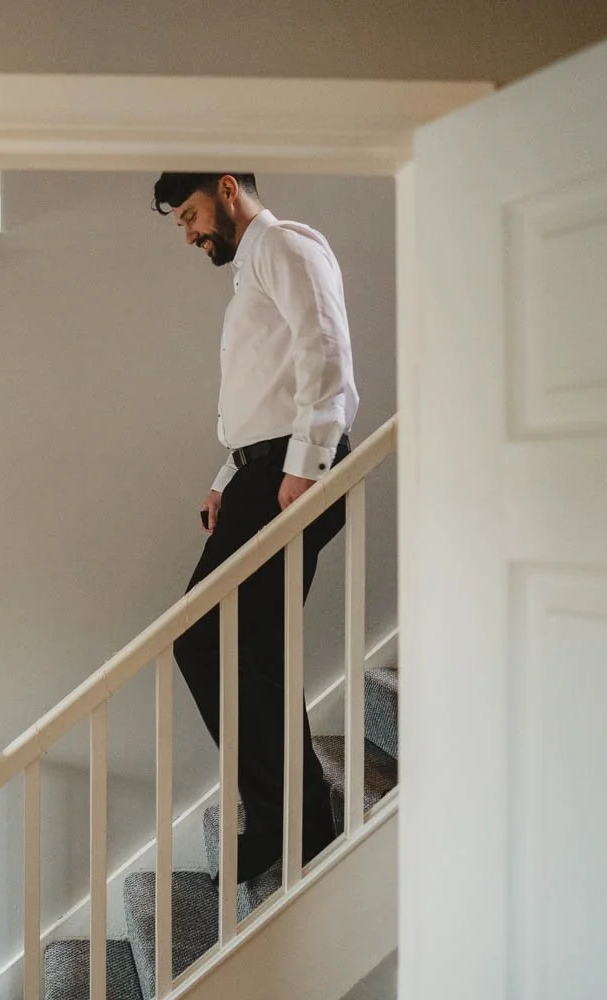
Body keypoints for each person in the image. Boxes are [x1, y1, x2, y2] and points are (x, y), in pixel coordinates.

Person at [152, 173, 359, 883]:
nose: (188, 232)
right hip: (260, 470)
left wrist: (304, 466)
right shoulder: (250, 270)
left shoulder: (286, 247)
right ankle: (295, 820)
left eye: (190, 214)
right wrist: (225, 481)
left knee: (201, 638)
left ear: (227, 188)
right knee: (255, 652)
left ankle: (284, 816)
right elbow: (261, 396)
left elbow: (323, 353)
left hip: (291, 471)